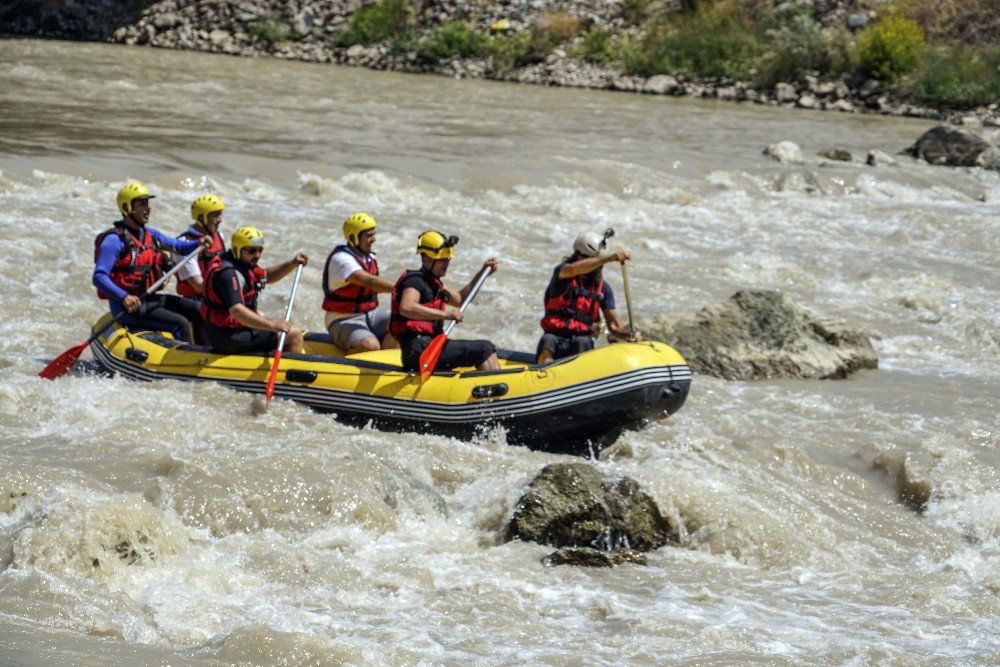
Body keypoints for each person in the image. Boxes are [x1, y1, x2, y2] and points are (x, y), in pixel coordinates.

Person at [93, 182, 208, 344]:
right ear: (128, 207)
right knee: (179, 323)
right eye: (142, 204)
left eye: (148, 203)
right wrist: (124, 297)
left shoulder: (150, 234)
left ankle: (206, 354)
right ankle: (186, 362)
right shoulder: (113, 240)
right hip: (126, 308)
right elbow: (99, 277)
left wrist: (199, 243)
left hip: (148, 299)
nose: (148, 208)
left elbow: (179, 247)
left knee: (198, 309)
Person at [390, 231, 500, 373]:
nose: (446, 263)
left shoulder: (436, 286)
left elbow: (461, 299)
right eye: (442, 259)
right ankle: (492, 390)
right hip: (418, 351)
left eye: (447, 259)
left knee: (487, 348)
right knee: (485, 348)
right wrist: (446, 315)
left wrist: (482, 273)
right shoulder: (415, 281)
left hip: (429, 346)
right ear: (425, 258)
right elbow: (407, 307)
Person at [200, 226, 308, 355]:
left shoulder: (242, 262)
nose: (257, 255)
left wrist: (292, 264)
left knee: (261, 315)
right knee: (294, 334)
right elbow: (237, 311)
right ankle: (290, 372)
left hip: (227, 331)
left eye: (260, 250)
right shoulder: (228, 275)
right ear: (236, 249)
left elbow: (266, 276)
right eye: (252, 251)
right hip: (227, 337)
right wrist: (273, 325)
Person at [536, 231, 641, 363]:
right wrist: (608, 258)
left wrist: (629, 334)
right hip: (556, 335)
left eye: (600, 264)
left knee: (583, 342)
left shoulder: (604, 289)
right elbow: (574, 269)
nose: (599, 267)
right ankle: (546, 374)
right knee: (548, 341)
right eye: (596, 262)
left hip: (582, 339)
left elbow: (614, 326)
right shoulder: (563, 273)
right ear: (580, 257)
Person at [321, 212, 398, 354]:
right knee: (370, 345)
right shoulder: (340, 259)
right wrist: (403, 288)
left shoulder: (369, 257)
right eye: (368, 235)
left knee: (403, 324)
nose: (373, 239)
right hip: (341, 320)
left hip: (371, 314)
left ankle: (382, 364)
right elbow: (370, 282)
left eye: (373, 234)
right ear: (353, 237)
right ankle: (353, 359)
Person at [175, 194, 227, 297]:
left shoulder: (219, 236)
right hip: (197, 300)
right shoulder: (184, 244)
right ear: (201, 218)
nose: (220, 219)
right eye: (216, 215)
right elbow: (199, 286)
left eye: (220, 214)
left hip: (217, 295)